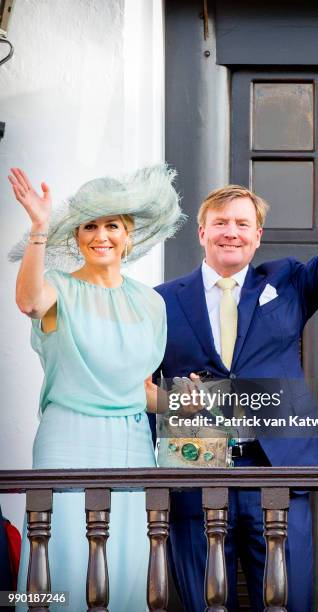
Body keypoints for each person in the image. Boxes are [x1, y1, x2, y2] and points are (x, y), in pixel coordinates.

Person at [152, 105, 318, 611]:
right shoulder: (162, 300)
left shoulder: (288, 282)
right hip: (198, 470)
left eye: (242, 224)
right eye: (220, 223)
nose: (231, 231)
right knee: (201, 601)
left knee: (286, 599)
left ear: (258, 236)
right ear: (202, 233)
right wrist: (175, 397)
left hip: (280, 467)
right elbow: (140, 384)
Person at [7, 164, 184, 611]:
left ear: (128, 235)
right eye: (90, 225)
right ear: (77, 235)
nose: (100, 235)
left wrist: (186, 405)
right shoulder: (58, 289)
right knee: (59, 556)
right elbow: (28, 301)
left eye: (112, 226)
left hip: (129, 441)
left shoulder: (151, 302)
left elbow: (140, 389)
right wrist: (38, 230)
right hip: (68, 436)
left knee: (126, 563)